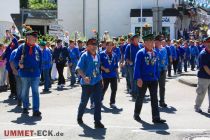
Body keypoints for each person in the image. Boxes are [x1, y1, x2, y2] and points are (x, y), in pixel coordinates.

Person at [133, 34, 166, 124]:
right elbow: (137, 66)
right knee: (140, 97)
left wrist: (157, 76)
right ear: (145, 43)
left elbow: (156, 65)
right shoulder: (141, 53)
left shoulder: (154, 52)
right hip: (143, 79)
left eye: (152, 42)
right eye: (149, 42)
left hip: (153, 79)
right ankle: (136, 114)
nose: (152, 43)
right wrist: (138, 78)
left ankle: (156, 117)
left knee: (154, 98)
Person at [76, 38, 104, 128]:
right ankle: (79, 117)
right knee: (84, 102)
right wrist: (84, 77)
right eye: (91, 45)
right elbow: (78, 68)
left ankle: (97, 121)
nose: (93, 47)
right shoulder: (84, 55)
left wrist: (101, 79)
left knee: (98, 102)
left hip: (97, 82)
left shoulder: (98, 56)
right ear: (87, 47)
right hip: (87, 83)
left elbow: (98, 69)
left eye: (95, 45)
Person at [14, 30, 42, 117]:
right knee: (25, 91)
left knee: (35, 92)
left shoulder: (38, 48)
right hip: (24, 73)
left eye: (33, 38)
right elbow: (15, 59)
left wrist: (39, 73)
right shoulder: (22, 47)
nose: (30, 40)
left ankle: (36, 110)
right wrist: (19, 65)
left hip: (35, 74)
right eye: (29, 38)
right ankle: (25, 107)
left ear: (35, 39)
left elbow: (40, 62)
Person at [100, 41, 119, 108]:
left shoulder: (115, 55)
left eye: (111, 45)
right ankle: (100, 100)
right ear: (106, 46)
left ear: (113, 46)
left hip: (113, 75)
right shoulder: (102, 54)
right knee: (104, 88)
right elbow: (99, 65)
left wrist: (118, 76)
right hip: (105, 75)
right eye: (108, 45)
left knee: (114, 89)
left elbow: (116, 66)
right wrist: (104, 69)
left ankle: (112, 102)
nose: (109, 47)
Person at [194, 37, 210, 113]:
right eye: (208, 42)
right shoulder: (203, 54)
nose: (209, 44)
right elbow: (205, 67)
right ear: (205, 44)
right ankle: (197, 107)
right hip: (204, 77)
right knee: (201, 93)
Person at [1, 32, 18, 99]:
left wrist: (10, 35)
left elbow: (15, 41)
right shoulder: (8, 48)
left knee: (15, 80)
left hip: (14, 67)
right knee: (11, 80)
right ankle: (12, 92)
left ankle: (17, 93)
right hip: (9, 67)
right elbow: (3, 56)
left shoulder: (15, 47)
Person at [125, 34, 142, 99]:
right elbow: (126, 57)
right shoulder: (129, 46)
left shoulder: (140, 46)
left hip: (139, 65)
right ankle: (134, 92)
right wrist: (130, 62)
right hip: (132, 66)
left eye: (137, 38)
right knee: (133, 79)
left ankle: (139, 92)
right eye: (135, 38)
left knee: (139, 78)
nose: (137, 39)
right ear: (132, 40)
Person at [10, 39, 25, 106]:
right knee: (24, 85)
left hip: (19, 71)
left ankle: (20, 99)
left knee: (19, 85)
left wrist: (14, 70)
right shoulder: (26, 51)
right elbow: (11, 61)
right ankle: (22, 99)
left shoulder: (14, 51)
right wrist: (14, 70)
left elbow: (11, 61)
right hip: (22, 71)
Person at [155, 36, 168, 108]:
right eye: (157, 41)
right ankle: (155, 101)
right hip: (156, 71)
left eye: (160, 41)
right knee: (154, 87)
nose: (159, 43)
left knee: (162, 87)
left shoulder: (164, 49)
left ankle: (162, 101)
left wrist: (165, 67)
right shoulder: (153, 50)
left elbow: (165, 59)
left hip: (163, 70)